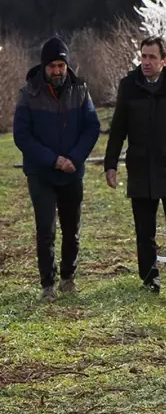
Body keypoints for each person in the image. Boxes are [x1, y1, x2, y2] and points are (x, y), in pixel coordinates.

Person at [103, 36, 166, 304]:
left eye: (152, 57)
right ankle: (150, 279)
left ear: (164, 61)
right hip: (140, 168)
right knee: (144, 231)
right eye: (143, 56)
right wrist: (110, 164)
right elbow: (118, 129)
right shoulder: (129, 86)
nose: (146, 62)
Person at [12, 37, 101, 301]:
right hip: (42, 172)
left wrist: (74, 157)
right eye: (52, 66)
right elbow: (22, 136)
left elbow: (91, 126)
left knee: (72, 227)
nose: (57, 71)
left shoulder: (81, 90)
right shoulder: (28, 93)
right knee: (46, 228)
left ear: (67, 65)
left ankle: (68, 278)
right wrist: (53, 160)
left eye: (61, 65)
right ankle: (47, 285)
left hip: (73, 170)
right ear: (44, 67)